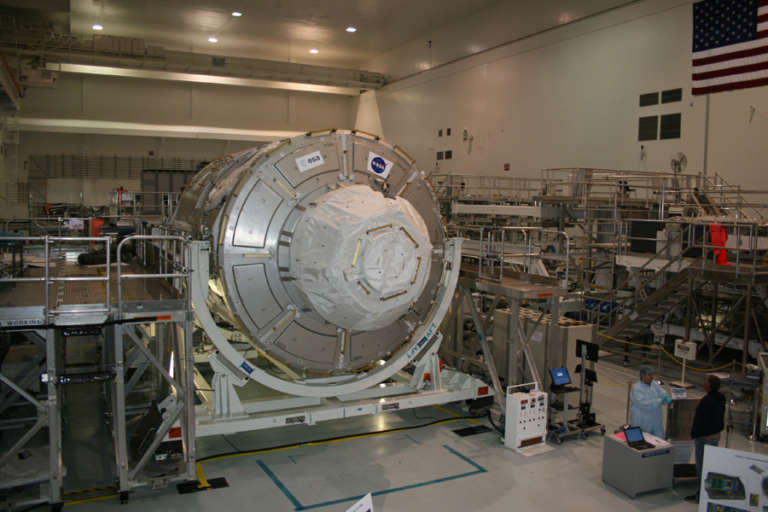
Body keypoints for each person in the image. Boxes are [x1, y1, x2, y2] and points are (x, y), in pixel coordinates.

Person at [685, 375, 726, 503]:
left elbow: (701, 420)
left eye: (706, 381)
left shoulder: (707, 400)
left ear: (709, 385)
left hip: (704, 437)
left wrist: (694, 433)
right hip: (715, 436)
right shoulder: (721, 397)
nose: (704, 383)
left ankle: (701, 495)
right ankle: (709, 491)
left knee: (702, 466)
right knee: (710, 464)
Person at [629, 367, 671, 438]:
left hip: (655, 420)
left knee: (659, 440)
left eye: (652, 375)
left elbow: (662, 393)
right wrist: (659, 400)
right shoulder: (637, 389)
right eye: (649, 375)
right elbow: (645, 404)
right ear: (643, 376)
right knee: (640, 440)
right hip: (641, 420)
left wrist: (666, 397)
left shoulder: (654, 384)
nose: (652, 377)